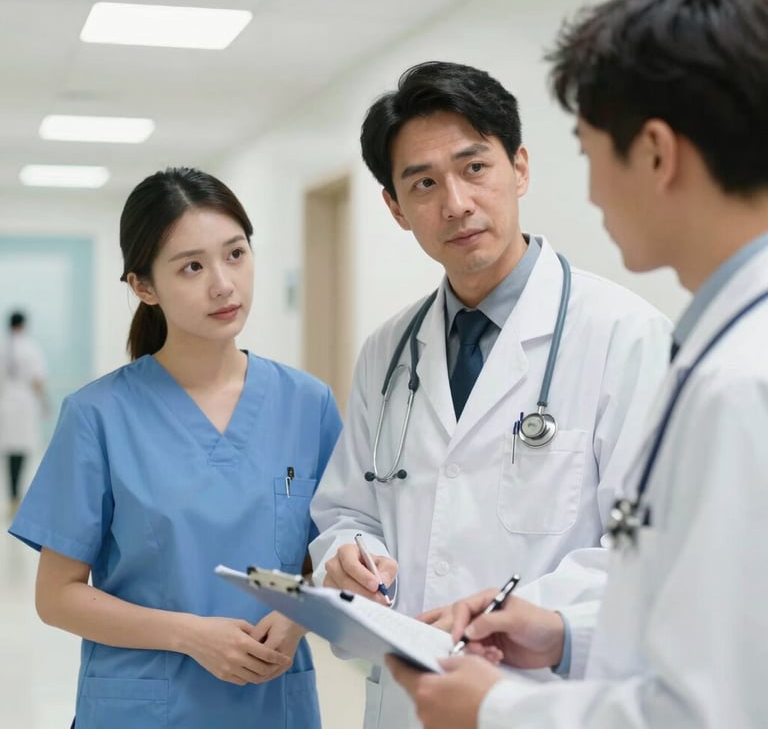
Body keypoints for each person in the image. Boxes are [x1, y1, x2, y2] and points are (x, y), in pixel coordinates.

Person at [386, 0, 768, 727]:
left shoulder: (739, 381)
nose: (590, 192)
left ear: (656, 154)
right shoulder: (724, 352)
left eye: (590, 153)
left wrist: (494, 709)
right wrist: (563, 635)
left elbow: (711, 710)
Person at [309, 60, 671, 728]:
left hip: (537, 699)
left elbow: (648, 550)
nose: (456, 203)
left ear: (520, 169)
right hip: (406, 700)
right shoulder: (387, 352)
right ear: (395, 207)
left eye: (474, 168)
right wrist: (343, 559)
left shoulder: (626, 336)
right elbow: (346, 512)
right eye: (423, 183)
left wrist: (524, 616)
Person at [8, 167, 342, 729]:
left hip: (273, 703)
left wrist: (296, 619)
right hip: (145, 706)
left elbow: (330, 557)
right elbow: (57, 596)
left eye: (235, 254)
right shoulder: (99, 416)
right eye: (192, 266)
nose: (222, 284)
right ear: (144, 286)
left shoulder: (307, 404)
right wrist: (191, 636)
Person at [0, 310, 48, 517]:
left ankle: (12, 497)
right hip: (25, 404)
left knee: (9, 451)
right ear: (24, 325)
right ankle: (16, 499)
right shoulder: (31, 348)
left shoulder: (2, 347)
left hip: (6, 403)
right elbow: (37, 380)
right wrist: (45, 402)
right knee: (23, 450)